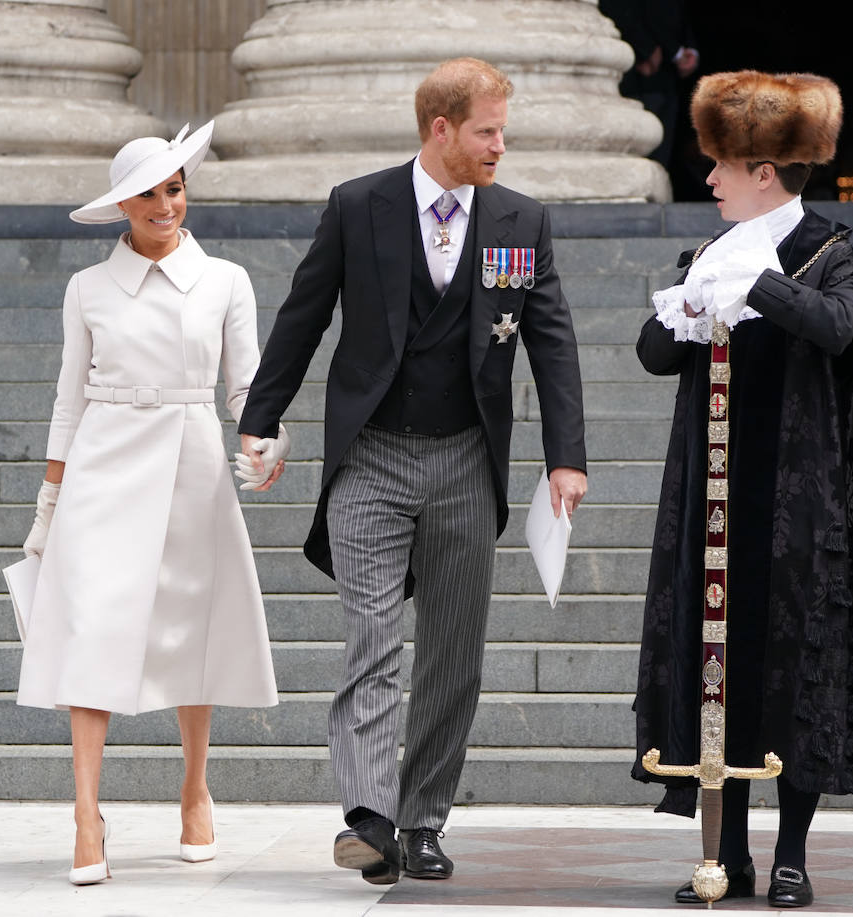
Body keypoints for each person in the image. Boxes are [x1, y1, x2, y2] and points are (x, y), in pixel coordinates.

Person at [236, 57, 588, 885]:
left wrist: (565, 455)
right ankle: (369, 815)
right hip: (371, 458)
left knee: (452, 653)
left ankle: (423, 818)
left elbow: (553, 339)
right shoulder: (359, 206)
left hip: (468, 457)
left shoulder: (520, 220)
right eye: (487, 131)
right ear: (441, 129)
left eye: (503, 130)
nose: (501, 145)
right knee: (371, 638)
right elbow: (304, 312)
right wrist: (261, 414)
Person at [632, 71, 853, 909]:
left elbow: (837, 327)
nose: (709, 178)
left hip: (802, 504)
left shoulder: (840, 253)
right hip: (714, 500)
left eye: (721, 163)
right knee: (722, 665)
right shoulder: (712, 253)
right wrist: (696, 290)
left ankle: (791, 854)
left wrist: (757, 283)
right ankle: (732, 854)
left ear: (763, 169)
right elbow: (654, 351)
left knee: (796, 668)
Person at [15, 122, 279, 886]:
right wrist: (47, 506)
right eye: (149, 193)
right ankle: (85, 813)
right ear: (121, 205)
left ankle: (195, 787)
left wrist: (269, 438)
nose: (166, 204)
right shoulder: (87, 288)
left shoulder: (226, 279)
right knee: (92, 627)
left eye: (175, 187)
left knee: (188, 631)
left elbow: (245, 388)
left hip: (193, 462)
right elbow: (67, 402)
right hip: (102, 460)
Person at [598, 0, 700, 167]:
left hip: (668, 76)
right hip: (638, 73)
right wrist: (646, 48)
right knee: (635, 159)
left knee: (659, 161)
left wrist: (688, 49)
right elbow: (619, 7)